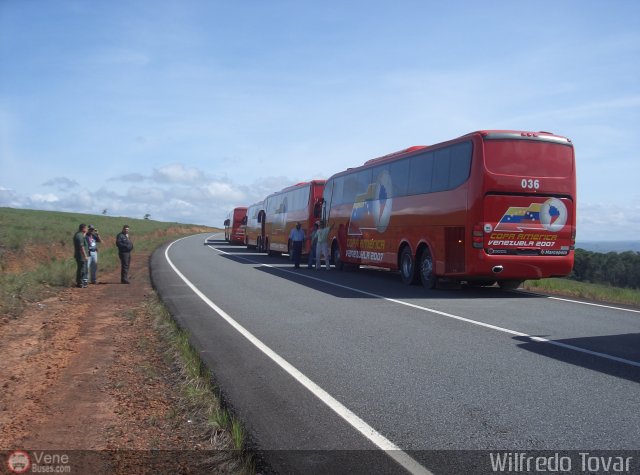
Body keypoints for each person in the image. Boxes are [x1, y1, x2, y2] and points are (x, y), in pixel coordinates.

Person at [73, 223, 89, 288]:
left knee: (82, 268)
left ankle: (81, 282)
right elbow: (81, 246)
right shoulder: (79, 236)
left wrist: (84, 234)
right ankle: (80, 283)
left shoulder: (80, 235)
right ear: (83, 228)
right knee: (81, 269)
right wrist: (85, 255)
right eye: (86, 228)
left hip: (81, 255)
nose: (87, 229)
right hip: (81, 255)